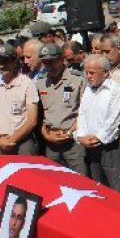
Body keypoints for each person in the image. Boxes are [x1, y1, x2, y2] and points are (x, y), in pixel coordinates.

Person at [75, 54, 120, 195]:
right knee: (99, 188)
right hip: (90, 147)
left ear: (105, 72)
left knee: (117, 189)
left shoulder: (116, 90)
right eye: (86, 72)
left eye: (92, 72)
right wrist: (80, 136)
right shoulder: (88, 89)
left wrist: (98, 138)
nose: (88, 76)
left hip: (110, 148)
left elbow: (114, 119)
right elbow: (82, 114)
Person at [36, 43, 86, 173]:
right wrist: (46, 134)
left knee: (81, 182)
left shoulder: (77, 79)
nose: (49, 66)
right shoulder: (40, 82)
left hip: (73, 141)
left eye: (52, 62)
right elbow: (39, 115)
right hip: (51, 143)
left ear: (61, 59)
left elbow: (85, 112)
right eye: (45, 63)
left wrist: (69, 132)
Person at [0, 43, 39, 155]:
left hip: (23, 142)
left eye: (5, 61)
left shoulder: (27, 84)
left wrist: (11, 140)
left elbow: (32, 120)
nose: (1, 66)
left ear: (15, 61)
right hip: (2, 141)